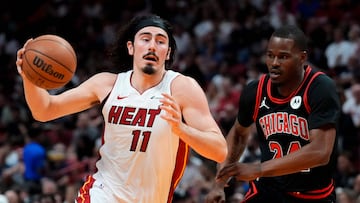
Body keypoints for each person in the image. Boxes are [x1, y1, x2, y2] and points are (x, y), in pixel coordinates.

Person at [15, 14, 227, 203]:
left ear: (168, 53)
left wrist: (182, 129)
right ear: (131, 48)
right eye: (145, 39)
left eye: (160, 41)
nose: (152, 45)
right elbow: (45, 110)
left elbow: (219, 151)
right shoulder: (107, 84)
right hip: (102, 193)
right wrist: (30, 77)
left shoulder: (181, 87)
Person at [206, 25, 341, 203]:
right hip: (269, 189)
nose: (275, 63)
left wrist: (259, 169)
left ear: (302, 58)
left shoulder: (320, 88)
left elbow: (320, 151)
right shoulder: (256, 90)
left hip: (313, 195)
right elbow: (239, 134)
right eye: (270, 55)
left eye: (283, 56)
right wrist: (219, 184)